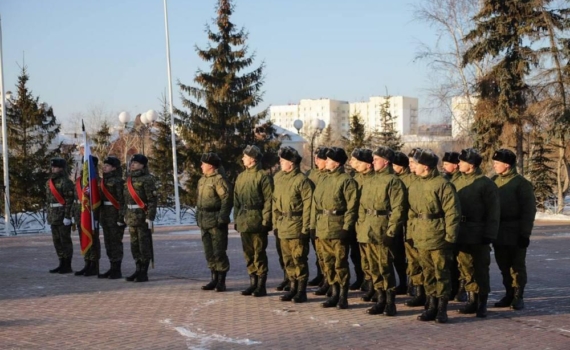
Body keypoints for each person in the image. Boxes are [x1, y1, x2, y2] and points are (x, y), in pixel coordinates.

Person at [408, 149, 461, 323]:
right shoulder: (415, 184)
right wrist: (411, 232)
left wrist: (450, 236)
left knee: (441, 273)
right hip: (421, 235)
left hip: (438, 236)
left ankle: (442, 308)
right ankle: (431, 306)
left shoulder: (442, 184)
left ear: (425, 167)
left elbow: (452, 212)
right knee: (428, 273)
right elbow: (412, 212)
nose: (413, 166)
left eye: (416, 164)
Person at [359, 147, 406, 316]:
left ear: (386, 161)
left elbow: (398, 210)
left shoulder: (393, 182)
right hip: (368, 229)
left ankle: (390, 302)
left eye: (376, 159)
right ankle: (380, 299)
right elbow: (362, 206)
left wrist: (391, 232)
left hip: (382, 229)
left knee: (385, 266)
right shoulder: (370, 180)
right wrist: (361, 227)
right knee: (373, 267)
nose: (373, 162)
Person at [454, 148, 500, 318]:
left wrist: (489, 234)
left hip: (479, 233)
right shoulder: (457, 181)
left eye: (462, 161)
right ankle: (472, 300)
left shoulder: (486, 184)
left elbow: (493, 213)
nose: (458, 164)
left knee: (480, 268)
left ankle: (482, 302)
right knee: (465, 268)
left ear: (471, 165)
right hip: (462, 232)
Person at [311, 147, 358, 309]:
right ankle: (334, 292)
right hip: (323, 227)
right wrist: (313, 225)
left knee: (340, 263)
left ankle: (343, 296)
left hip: (338, 228)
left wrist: (347, 227)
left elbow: (352, 207)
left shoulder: (346, 181)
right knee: (327, 263)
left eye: (330, 159)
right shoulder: (324, 179)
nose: (326, 162)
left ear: (337, 163)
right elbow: (315, 204)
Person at [491, 149, 536, 310]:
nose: (494, 165)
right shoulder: (494, 181)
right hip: (499, 231)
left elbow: (528, 211)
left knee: (516, 265)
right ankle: (509, 293)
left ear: (507, 165)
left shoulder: (521, 183)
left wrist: (525, 233)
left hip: (515, 231)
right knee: (503, 265)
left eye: (497, 163)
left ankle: (518, 295)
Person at [273, 147, 313, 303]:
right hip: (283, 226)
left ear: (291, 163)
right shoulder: (279, 179)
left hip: (297, 226)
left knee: (299, 260)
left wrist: (305, 228)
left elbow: (308, 207)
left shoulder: (302, 181)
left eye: (283, 161)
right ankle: (292, 287)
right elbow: (275, 203)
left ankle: (301, 291)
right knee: (288, 260)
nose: (280, 163)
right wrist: (275, 224)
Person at [234, 145, 273, 297]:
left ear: (252, 159)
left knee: (259, 253)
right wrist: (236, 218)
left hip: (257, 220)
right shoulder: (241, 177)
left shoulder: (262, 176)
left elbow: (269, 200)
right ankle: (253, 282)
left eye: (245, 156)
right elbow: (236, 200)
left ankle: (261, 286)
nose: (242, 158)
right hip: (244, 220)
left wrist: (266, 220)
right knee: (248, 253)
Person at [196, 152, 232, 292]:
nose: (201, 166)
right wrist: (198, 216)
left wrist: (222, 218)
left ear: (210, 166)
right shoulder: (202, 180)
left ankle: (221, 281)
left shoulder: (219, 180)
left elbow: (226, 200)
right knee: (209, 252)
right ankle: (213, 278)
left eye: (203, 164)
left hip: (216, 220)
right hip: (204, 220)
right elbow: (199, 200)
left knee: (219, 251)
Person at [123, 154, 158, 283]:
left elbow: (152, 200)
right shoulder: (128, 179)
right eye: (132, 162)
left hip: (142, 217)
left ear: (143, 165)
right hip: (131, 216)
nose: (133, 164)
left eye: (136, 163)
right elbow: (124, 200)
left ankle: (144, 271)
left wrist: (150, 217)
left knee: (144, 245)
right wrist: (124, 215)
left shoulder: (147, 179)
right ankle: (137, 268)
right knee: (134, 245)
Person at [350, 149, 376, 303]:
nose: (354, 164)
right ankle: (364, 280)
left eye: (358, 161)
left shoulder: (374, 179)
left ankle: (373, 285)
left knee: (373, 258)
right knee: (359, 255)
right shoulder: (355, 179)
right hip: (358, 222)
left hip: (371, 224)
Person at [441, 151, 466, 302]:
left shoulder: (462, 180)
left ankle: (462, 288)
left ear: (455, 165)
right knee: (449, 261)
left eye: (446, 164)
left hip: (462, 226)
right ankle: (452, 287)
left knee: (462, 261)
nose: (443, 167)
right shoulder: (444, 180)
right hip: (447, 226)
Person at [306, 147, 330, 296]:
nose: (316, 161)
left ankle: (328, 279)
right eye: (315, 158)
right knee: (318, 251)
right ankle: (321, 275)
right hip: (312, 216)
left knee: (326, 253)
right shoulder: (311, 174)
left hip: (324, 219)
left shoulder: (326, 176)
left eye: (319, 159)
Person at [98, 156, 126, 279]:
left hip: (115, 216)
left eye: (108, 166)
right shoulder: (102, 181)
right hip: (105, 216)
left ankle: (117, 269)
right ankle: (112, 266)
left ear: (114, 168)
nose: (104, 167)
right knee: (108, 243)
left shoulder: (118, 181)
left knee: (115, 243)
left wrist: (121, 218)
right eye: (104, 165)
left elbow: (122, 201)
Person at [73, 156, 101, 277]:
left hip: (92, 213)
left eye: (87, 165)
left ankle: (94, 264)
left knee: (93, 240)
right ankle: (87, 263)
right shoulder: (79, 181)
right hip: (82, 213)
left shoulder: (96, 181)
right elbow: (75, 199)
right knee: (83, 237)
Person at [46, 158, 75, 274]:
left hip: (62, 214)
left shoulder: (66, 182)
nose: (53, 168)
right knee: (56, 241)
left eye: (56, 167)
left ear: (61, 168)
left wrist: (68, 216)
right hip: (53, 215)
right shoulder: (49, 182)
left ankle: (67, 264)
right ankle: (61, 262)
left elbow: (69, 200)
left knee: (65, 240)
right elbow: (48, 200)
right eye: (52, 166)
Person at [391, 151, 413, 297]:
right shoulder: (393, 179)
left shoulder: (411, 179)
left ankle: (413, 284)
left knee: (411, 257)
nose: (393, 167)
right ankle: (403, 282)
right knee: (397, 256)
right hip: (398, 223)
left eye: (395, 164)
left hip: (409, 223)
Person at [346, 149, 366, 292]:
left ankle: (367, 280)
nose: (350, 162)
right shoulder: (354, 177)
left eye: (353, 160)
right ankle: (360, 278)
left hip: (365, 221)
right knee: (355, 253)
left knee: (364, 254)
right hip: (356, 220)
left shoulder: (368, 178)